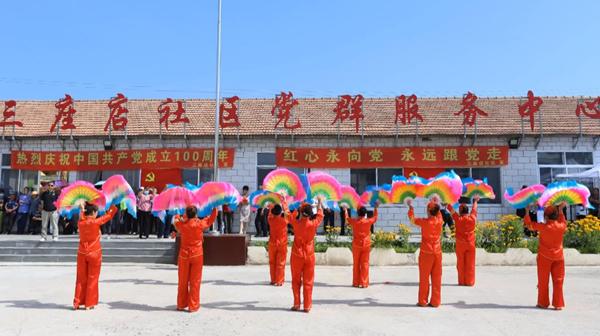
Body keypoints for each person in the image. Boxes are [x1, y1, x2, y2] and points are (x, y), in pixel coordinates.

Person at [73, 202, 118, 310]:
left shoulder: (81, 223)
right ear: (93, 212)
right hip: (94, 252)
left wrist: (82, 209)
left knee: (80, 278)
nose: (97, 214)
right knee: (93, 278)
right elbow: (109, 215)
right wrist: (113, 204)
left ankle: (77, 302)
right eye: (96, 212)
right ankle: (89, 303)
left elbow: (82, 217)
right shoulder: (96, 222)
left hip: (82, 252)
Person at [173, 207, 218, 312]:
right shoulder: (199, 224)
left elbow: (176, 220)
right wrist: (215, 208)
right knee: (195, 281)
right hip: (197, 254)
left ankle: (181, 304)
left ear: (187, 214)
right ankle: (193, 305)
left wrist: (179, 215)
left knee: (182, 281)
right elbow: (211, 219)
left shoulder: (182, 225)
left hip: (184, 254)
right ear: (196, 214)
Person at [524, 202, 568, 310]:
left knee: (543, 281)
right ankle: (558, 304)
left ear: (546, 216)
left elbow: (529, 225)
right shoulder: (561, 226)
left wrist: (527, 211)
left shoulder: (543, 227)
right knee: (558, 281)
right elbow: (563, 220)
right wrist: (561, 209)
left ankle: (543, 303)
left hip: (545, 256)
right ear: (556, 215)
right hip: (559, 257)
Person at [289, 198, 324, 313]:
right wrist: (319, 203)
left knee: (295, 280)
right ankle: (307, 306)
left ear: (301, 212)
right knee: (308, 281)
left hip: (297, 255)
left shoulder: (296, 223)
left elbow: (288, 215)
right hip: (309, 255)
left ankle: (296, 304)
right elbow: (320, 215)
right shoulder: (313, 224)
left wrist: (287, 202)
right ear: (310, 213)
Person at [407, 198, 443, 307]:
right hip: (437, 252)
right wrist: (436, 202)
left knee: (424, 278)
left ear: (428, 211)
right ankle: (436, 302)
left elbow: (412, 219)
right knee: (437, 278)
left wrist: (411, 207)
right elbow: (438, 213)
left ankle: (423, 301)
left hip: (426, 252)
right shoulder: (440, 221)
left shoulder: (424, 222)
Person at [447, 195, 479, 286]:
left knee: (460, 263)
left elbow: (451, 210)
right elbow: (474, 209)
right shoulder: (472, 218)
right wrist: (475, 201)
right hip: (470, 244)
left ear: (460, 211)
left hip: (460, 244)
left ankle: (461, 281)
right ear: (467, 211)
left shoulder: (458, 219)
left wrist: (447, 202)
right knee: (470, 264)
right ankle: (470, 282)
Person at [344, 203, 379, 288]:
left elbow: (347, 219)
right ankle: (364, 283)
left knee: (356, 264)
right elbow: (375, 218)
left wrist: (345, 210)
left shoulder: (354, 221)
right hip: (366, 244)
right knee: (365, 264)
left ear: (358, 213)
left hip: (356, 244)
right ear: (365, 214)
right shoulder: (368, 221)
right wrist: (375, 208)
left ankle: (356, 282)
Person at [267, 201, 290, 286]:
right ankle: (279, 281)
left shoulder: (270, 220)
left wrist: (271, 206)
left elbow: (270, 213)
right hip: (282, 243)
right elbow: (287, 211)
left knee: (272, 262)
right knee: (281, 262)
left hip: (272, 243)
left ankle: (273, 280)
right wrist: (284, 200)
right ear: (281, 212)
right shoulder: (284, 220)